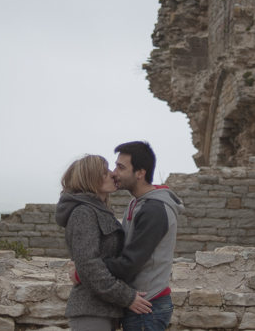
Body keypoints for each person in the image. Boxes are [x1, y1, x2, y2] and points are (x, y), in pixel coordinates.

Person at [55, 155, 152, 331]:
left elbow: (91, 264)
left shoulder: (99, 210)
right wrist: (126, 297)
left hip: (103, 311)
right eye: (104, 172)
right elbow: (89, 266)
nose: (112, 175)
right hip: (91, 312)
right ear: (90, 179)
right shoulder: (84, 212)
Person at [106, 142, 186, 331]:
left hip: (148, 306)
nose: (114, 173)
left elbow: (129, 263)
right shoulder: (137, 202)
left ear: (140, 173)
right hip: (139, 304)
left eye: (121, 167)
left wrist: (87, 268)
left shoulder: (154, 210)